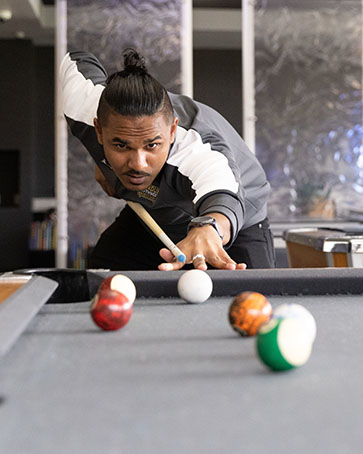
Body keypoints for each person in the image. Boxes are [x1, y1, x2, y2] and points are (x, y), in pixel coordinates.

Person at [60, 49, 275, 271]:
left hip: (238, 220)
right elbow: (76, 57)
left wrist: (208, 227)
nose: (138, 164)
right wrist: (103, 160)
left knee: (253, 299)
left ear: (172, 131)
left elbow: (222, 192)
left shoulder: (193, 148)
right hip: (156, 211)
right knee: (107, 265)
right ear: (98, 130)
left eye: (152, 145)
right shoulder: (82, 103)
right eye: (121, 145)